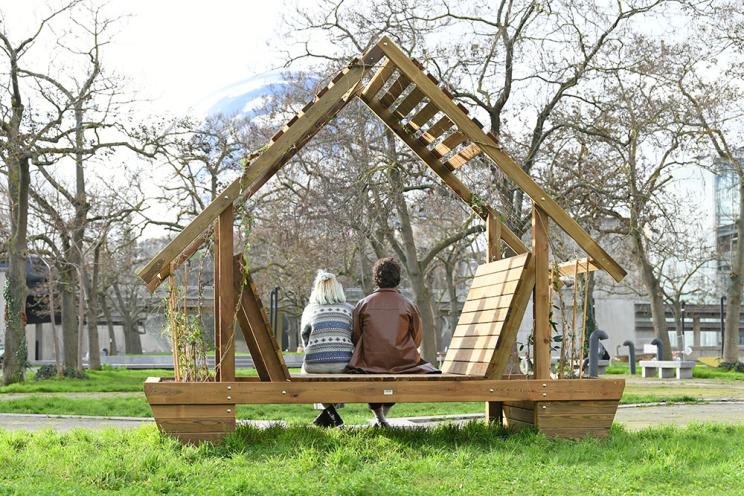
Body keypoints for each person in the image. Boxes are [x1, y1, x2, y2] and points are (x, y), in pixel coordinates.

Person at [347, 257, 439, 427]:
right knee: (412, 374)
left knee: (372, 379)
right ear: (397, 278)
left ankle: (379, 416)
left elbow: (356, 336)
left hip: (369, 364)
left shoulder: (363, 304)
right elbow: (417, 338)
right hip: (403, 363)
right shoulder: (408, 305)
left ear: (376, 278)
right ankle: (382, 417)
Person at [300, 270, 354, 427]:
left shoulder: (310, 309)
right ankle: (332, 415)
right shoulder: (349, 309)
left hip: (314, 365)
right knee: (339, 372)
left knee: (308, 370)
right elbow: (354, 336)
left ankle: (330, 415)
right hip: (343, 365)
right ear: (338, 289)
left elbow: (304, 338)